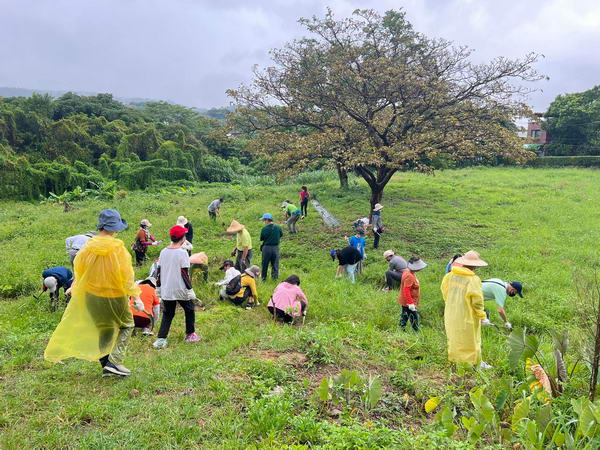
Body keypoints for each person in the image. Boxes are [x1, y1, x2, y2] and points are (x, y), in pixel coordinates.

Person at [45, 209, 143, 377]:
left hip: (92, 296)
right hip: (114, 296)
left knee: (103, 328)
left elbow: (79, 271)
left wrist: (74, 288)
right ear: (115, 228)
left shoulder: (86, 248)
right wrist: (136, 296)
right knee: (127, 325)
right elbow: (127, 276)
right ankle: (114, 362)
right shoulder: (118, 249)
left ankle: (106, 365)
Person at [440, 250, 491, 370]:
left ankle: (456, 361)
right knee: (471, 339)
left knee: (455, 337)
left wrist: (452, 303)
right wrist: (482, 316)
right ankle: (476, 364)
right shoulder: (473, 280)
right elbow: (477, 301)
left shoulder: (450, 275)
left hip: (451, 312)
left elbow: (444, 291)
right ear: (475, 265)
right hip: (467, 314)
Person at [153, 226, 199, 349]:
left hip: (167, 288)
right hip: (180, 288)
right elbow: (185, 273)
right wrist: (190, 289)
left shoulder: (163, 251)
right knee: (189, 309)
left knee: (168, 313)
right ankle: (190, 334)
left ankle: (161, 339)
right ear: (183, 238)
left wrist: (159, 287)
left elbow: (159, 271)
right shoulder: (182, 253)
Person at [398, 258, 427, 332]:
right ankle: (415, 332)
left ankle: (402, 329)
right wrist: (410, 303)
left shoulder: (408, 271)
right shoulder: (409, 276)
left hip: (407, 300)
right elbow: (406, 290)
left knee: (405, 315)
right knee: (414, 316)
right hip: (408, 301)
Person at [259, 213, 284, 281]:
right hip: (275, 248)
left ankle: (264, 278)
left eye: (264, 220)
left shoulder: (264, 229)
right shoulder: (278, 227)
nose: (263, 222)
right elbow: (281, 235)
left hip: (266, 248)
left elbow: (262, 238)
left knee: (265, 264)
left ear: (267, 220)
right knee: (275, 264)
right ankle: (274, 279)